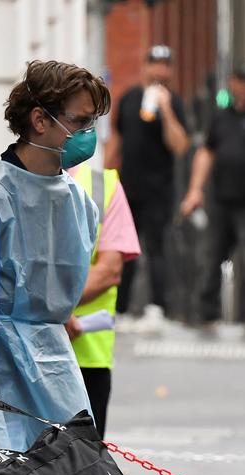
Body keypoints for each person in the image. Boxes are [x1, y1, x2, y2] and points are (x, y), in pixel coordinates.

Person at [0, 59, 111, 475]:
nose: (87, 134)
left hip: (54, 362)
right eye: (79, 121)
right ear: (39, 119)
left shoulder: (77, 199)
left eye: (93, 122)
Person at [181, 63, 245, 334]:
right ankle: (206, 314)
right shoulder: (221, 116)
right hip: (219, 199)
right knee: (210, 255)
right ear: (232, 82)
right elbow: (207, 153)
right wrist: (195, 190)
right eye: (240, 80)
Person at [106, 44, 189, 327]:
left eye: (165, 65)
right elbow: (116, 139)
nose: (159, 70)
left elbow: (180, 145)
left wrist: (165, 109)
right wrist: (105, 177)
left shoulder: (174, 102)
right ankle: (122, 307)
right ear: (146, 65)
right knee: (124, 247)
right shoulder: (129, 98)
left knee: (156, 248)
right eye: (155, 63)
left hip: (159, 190)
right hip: (129, 186)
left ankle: (157, 306)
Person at [66, 160, 141, 438]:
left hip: (88, 356)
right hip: (25, 356)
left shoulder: (103, 185)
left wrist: (57, 309)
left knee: (84, 464)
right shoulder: (10, 182)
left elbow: (109, 270)